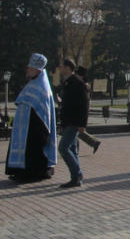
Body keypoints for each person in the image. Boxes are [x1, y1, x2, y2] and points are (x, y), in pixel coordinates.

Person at [6, 53, 57, 182]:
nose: (27, 70)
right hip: (25, 126)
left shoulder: (42, 86)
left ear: (38, 70)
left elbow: (43, 110)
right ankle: (20, 172)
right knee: (25, 149)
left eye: (30, 68)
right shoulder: (33, 83)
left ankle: (32, 174)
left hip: (36, 126)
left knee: (33, 150)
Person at [57, 58, 89, 188]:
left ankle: (77, 175)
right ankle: (76, 177)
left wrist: (82, 124)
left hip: (74, 122)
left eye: (62, 66)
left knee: (63, 148)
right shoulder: (68, 82)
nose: (60, 69)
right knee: (72, 149)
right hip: (68, 121)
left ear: (68, 68)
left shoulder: (77, 82)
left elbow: (84, 105)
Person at [75, 66, 102, 153]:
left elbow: (84, 101)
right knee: (75, 131)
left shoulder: (83, 86)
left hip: (80, 111)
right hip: (79, 110)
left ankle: (76, 149)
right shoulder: (83, 85)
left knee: (75, 131)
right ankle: (94, 142)